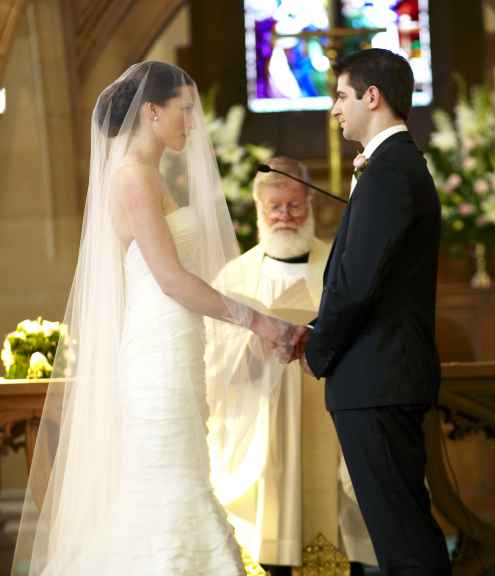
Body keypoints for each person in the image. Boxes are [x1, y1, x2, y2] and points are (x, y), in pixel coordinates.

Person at [11, 61, 302, 576]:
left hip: (178, 345)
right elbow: (171, 279)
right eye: (184, 110)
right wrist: (259, 322)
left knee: (180, 479)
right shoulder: (131, 179)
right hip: (157, 356)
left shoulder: (148, 175)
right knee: (170, 487)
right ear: (151, 110)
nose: (191, 123)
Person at [294, 48, 452, 575]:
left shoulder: (390, 172)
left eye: (340, 96)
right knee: (400, 535)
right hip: (380, 375)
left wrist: (318, 347)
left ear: (372, 96)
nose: (335, 109)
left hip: (378, 379)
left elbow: (357, 284)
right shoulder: (393, 167)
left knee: (404, 542)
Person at [206, 157, 375, 575]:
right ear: (258, 208)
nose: (285, 216)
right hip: (263, 419)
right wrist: (255, 342)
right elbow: (212, 355)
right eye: (274, 208)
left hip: (330, 413)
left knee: (335, 516)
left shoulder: (338, 264)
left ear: (311, 202)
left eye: (294, 206)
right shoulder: (235, 278)